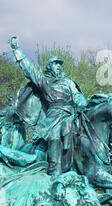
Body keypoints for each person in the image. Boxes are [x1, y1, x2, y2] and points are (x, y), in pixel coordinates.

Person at [9, 37, 87, 176]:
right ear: (49, 66)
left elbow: (77, 95)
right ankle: (54, 170)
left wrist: (82, 102)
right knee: (54, 136)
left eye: (60, 64)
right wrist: (16, 50)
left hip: (72, 113)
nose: (59, 66)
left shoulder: (68, 82)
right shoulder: (44, 81)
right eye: (56, 63)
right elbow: (29, 69)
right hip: (54, 117)